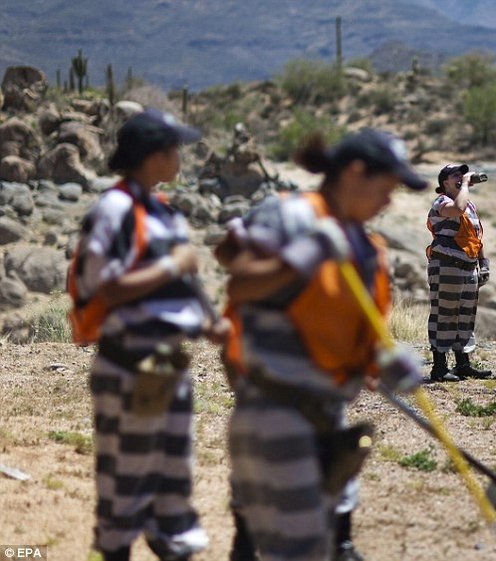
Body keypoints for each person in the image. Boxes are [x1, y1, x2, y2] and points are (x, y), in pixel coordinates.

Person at [216, 129, 426, 560]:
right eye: (386, 187)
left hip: (327, 416)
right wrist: (300, 258)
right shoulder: (291, 216)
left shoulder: (368, 248)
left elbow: (352, 332)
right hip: (274, 413)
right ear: (354, 173)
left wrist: (384, 359)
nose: (389, 201)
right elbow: (240, 282)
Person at [68, 108, 226, 561]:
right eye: (175, 150)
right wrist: (172, 265)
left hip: (165, 364)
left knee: (173, 476)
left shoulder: (161, 211)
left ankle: (170, 541)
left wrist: (208, 324)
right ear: (155, 156)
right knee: (126, 479)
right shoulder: (115, 210)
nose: (180, 158)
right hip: (130, 365)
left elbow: (177, 291)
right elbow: (106, 286)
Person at [425, 163, 493, 382]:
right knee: (445, 314)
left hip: (468, 267)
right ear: (445, 182)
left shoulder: (469, 205)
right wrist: (465, 185)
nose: (461, 177)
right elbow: (457, 209)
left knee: (465, 315)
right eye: (456, 175)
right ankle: (439, 367)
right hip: (447, 266)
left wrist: (483, 263)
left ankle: (463, 364)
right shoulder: (442, 202)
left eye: (463, 175)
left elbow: (475, 236)